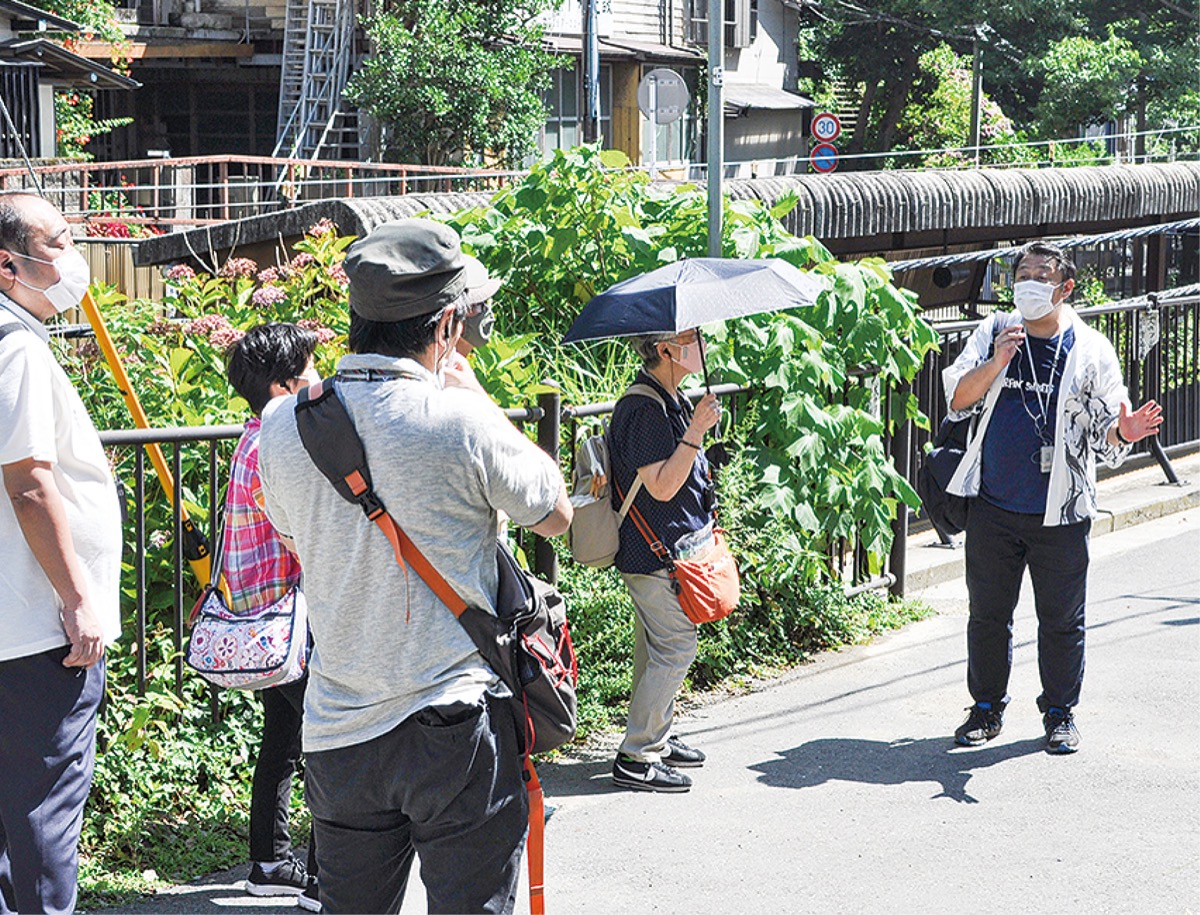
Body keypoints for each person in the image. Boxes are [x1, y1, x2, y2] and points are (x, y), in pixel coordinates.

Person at [257, 218, 571, 914]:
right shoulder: (458, 420)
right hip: (453, 724)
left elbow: (289, 529)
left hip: (339, 729)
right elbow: (555, 512)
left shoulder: (282, 427)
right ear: (448, 322)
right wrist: (479, 396)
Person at [943, 241, 1162, 754]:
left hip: (1061, 510)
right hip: (994, 504)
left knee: (1062, 619)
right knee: (988, 615)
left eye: (1042, 275)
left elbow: (1108, 426)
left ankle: (1060, 713)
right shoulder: (995, 331)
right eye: (1022, 273)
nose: (1028, 283)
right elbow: (957, 398)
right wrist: (998, 360)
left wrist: (1125, 432)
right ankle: (986, 708)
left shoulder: (1089, 349)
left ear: (1064, 288)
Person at [0, 192, 122, 913]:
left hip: (12, 627)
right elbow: (30, 482)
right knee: (45, 812)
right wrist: (79, 599)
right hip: (39, 631)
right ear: (8, 264)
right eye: (60, 241)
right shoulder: (14, 348)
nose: (72, 255)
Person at [223, 323, 322, 910]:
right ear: (286, 383)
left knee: (281, 741)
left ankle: (268, 862)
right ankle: (321, 880)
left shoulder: (250, 437)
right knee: (327, 747)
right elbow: (301, 530)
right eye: (310, 367)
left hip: (254, 622)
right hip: (289, 621)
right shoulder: (281, 444)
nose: (319, 376)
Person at [607, 328, 722, 793]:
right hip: (650, 552)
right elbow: (660, 486)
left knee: (655, 650)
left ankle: (657, 736)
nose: (702, 344)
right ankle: (637, 757)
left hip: (665, 548)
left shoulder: (667, 398)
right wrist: (695, 431)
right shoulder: (643, 409)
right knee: (676, 647)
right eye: (691, 337)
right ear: (664, 349)